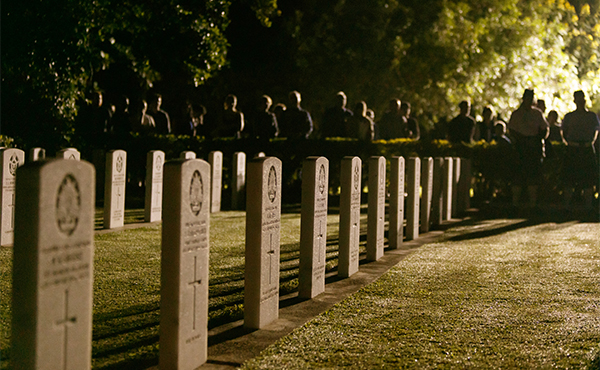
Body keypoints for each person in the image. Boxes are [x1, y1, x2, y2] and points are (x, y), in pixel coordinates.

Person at [507, 89, 549, 208]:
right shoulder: (516, 114)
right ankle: (515, 203)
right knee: (518, 177)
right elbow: (512, 131)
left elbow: (545, 129)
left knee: (533, 177)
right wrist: (522, 140)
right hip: (521, 147)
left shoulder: (537, 114)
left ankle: (532, 203)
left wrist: (537, 139)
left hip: (533, 148)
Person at [560, 90, 600, 210]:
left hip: (586, 148)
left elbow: (596, 131)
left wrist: (590, 142)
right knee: (569, 179)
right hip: (573, 149)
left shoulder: (591, 116)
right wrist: (569, 143)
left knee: (588, 179)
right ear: (574, 101)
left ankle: (588, 206)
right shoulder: (569, 117)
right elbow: (564, 132)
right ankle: (566, 206)